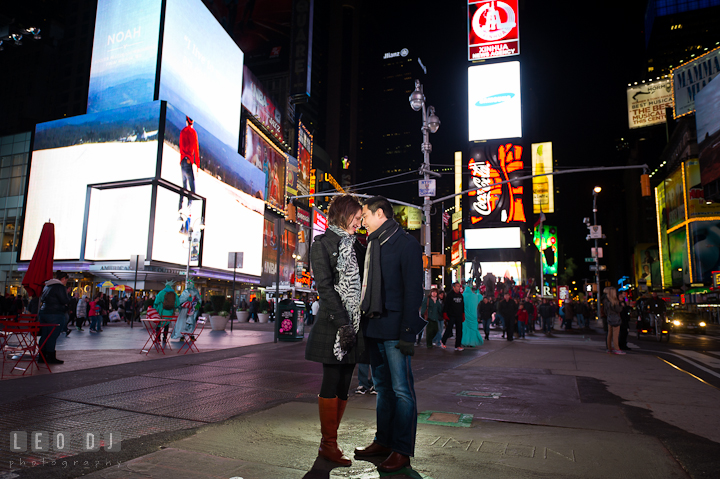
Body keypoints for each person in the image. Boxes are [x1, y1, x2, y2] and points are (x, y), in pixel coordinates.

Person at [354, 196, 425, 473]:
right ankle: (383, 441)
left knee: (402, 390)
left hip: (396, 330)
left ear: (380, 213)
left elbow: (413, 292)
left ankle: (402, 449)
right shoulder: (371, 243)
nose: (362, 221)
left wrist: (408, 332)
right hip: (374, 327)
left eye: (365, 216)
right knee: (382, 389)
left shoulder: (405, 244)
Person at [305, 195, 366, 467]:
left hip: (354, 323)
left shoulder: (356, 245)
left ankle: (330, 442)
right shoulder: (322, 244)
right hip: (334, 325)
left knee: (344, 384)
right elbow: (325, 288)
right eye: (356, 216)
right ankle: (327, 444)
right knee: (331, 381)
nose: (360, 221)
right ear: (343, 214)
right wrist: (342, 322)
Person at [38, 271, 70, 364]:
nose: (65, 283)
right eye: (66, 280)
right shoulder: (60, 287)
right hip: (55, 314)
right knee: (52, 335)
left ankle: (42, 356)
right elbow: (64, 300)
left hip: (44, 312)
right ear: (63, 278)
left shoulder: (47, 286)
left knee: (44, 335)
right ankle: (50, 356)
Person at [178, 116, 200, 214]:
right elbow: (196, 150)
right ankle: (188, 212)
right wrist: (198, 165)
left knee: (184, 187)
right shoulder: (193, 133)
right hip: (188, 161)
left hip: (182, 161)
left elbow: (180, 146)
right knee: (192, 189)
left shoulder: (182, 131)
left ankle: (180, 210)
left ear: (187, 121)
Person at [441, 282, 465, 350]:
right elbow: (446, 305)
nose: (459, 288)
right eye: (457, 286)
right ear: (453, 287)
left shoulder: (460, 295)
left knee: (459, 330)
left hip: (459, 315)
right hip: (451, 315)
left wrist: (463, 314)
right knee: (449, 329)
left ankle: (458, 345)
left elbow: (462, 305)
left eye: (459, 286)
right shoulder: (449, 295)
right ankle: (443, 341)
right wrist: (445, 314)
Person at [603, 287, 625, 354]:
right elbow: (618, 310)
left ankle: (609, 348)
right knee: (615, 334)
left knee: (609, 334)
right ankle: (617, 348)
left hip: (609, 317)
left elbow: (605, 311)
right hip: (615, 317)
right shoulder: (614, 301)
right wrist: (621, 305)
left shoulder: (606, 301)